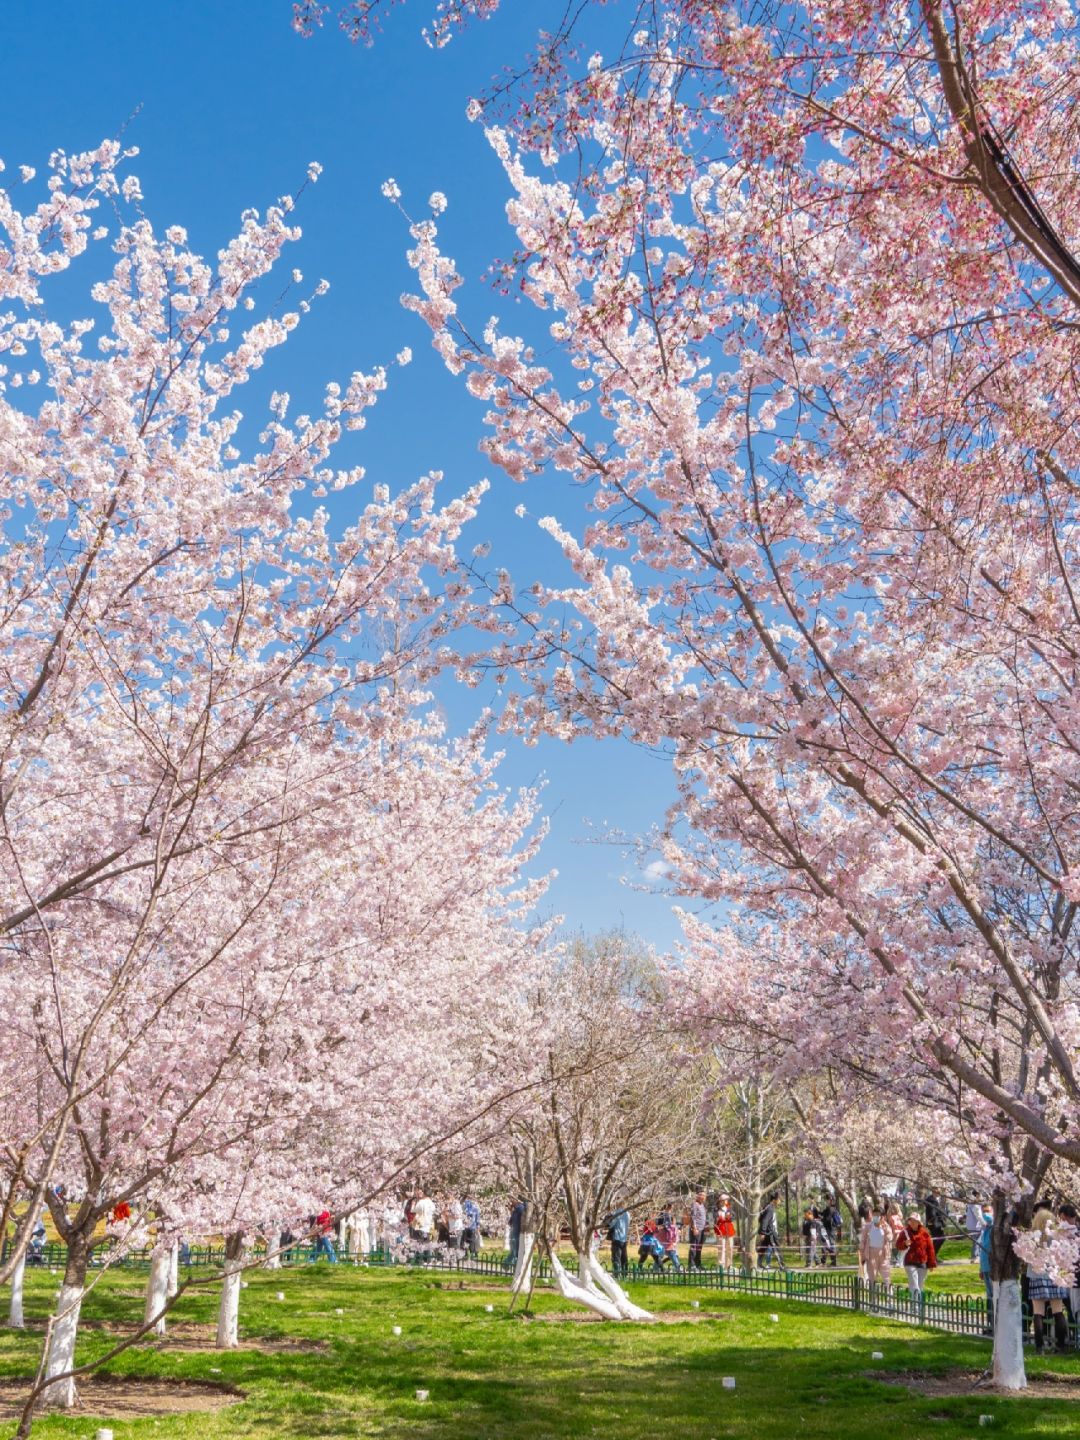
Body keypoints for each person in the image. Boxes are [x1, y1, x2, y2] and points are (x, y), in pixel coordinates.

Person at [1027, 1202, 1070, 1351]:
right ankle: (1061, 1344)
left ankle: (1039, 1346)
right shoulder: (1056, 1235)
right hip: (1054, 1275)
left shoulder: (1033, 1236)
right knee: (1058, 1310)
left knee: (1038, 1311)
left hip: (1036, 1275)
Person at [897, 1212, 936, 1295]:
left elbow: (930, 1249)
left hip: (922, 1263)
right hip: (909, 1262)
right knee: (914, 1284)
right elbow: (898, 1245)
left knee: (920, 1286)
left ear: (919, 1222)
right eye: (911, 1220)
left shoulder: (925, 1234)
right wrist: (904, 1244)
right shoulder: (904, 1233)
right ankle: (916, 1306)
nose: (912, 1223)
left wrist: (931, 1264)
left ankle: (917, 1304)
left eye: (914, 1221)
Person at [1058, 1202, 1080, 1344]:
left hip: (1075, 1278)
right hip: (1073, 1277)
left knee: (1076, 1309)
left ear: (1064, 1216)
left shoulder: (1069, 1234)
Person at [860, 1203, 891, 1287]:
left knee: (886, 1276)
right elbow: (862, 1242)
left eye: (878, 1215)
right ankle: (872, 1298)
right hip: (871, 1254)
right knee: (872, 1277)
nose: (875, 1217)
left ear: (882, 1217)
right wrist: (862, 1256)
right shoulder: (867, 1227)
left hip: (883, 1254)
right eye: (874, 1215)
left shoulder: (886, 1227)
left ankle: (889, 1297)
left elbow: (890, 1238)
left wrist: (884, 1229)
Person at [978, 1202, 994, 1334]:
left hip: (993, 1267)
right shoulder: (984, 1231)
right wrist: (980, 1269)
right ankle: (990, 1324)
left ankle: (995, 1324)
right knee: (989, 1296)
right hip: (985, 1267)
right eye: (983, 1211)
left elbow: (989, 1219)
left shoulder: (993, 1226)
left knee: (994, 1296)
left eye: (988, 1211)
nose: (985, 1214)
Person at [757, 1193, 784, 1269]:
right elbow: (764, 1220)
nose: (780, 1201)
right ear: (774, 1200)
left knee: (763, 1248)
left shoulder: (769, 1207)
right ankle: (782, 1265)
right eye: (779, 1200)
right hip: (770, 1232)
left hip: (768, 1232)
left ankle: (758, 1263)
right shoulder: (770, 1208)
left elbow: (761, 1219)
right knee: (776, 1248)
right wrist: (762, 1232)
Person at [714, 1193, 736, 1270]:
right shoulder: (716, 1210)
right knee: (721, 1249)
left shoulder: (729, 1209)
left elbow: (733, 1217)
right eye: (725, 1200)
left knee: (730, 1248)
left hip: (729, 1232)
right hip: (720, 1232)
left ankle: (729, 1265)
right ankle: (721, 1265)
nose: (726, 1201)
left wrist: (730, 1216)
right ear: (721, 1201)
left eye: (727, 1200)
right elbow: (715, 1222)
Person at [924, 1190, 947, 1257]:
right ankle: (932, 1256)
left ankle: (933, 1255)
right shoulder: (932, 1201)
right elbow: (933, 1213)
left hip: (935, 1223)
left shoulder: (934, 1200)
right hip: (935, 1224)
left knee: (938, 1239)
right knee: (940, 1239)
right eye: (938, 1192)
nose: (939, 1194)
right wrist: (941, 1221)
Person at [607, 1205, 630, 1277]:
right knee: (624, 1256)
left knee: (616, 1256)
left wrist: (608, 1221)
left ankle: (616, 1273)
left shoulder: (617, 1213)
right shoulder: (627, 1213)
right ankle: (625, 1273)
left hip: (617, 1237)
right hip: (624, 1238)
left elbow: (611, 1224)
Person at [688, 1191, 707, 1270]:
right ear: (698, 1196)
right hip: (696, 1229)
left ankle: (698, 1264)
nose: (703, 1197)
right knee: (694, 1247)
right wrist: (694, 1228)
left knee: (699, 1248)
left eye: (704, 1195)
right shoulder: (695, 1204)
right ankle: (691, 1265)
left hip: (702, 1230)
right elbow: (693, 1217)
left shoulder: (702, 1205)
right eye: (702, 1195)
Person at [819, 1196, 840, 1267]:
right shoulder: (827, 1209)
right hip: (827, 1229)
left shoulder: (831, 1209)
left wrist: (822, 1219)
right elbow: (821, 1214)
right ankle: (824, 1261)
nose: (826, 1201)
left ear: (831, 1201)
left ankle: (833, 1262)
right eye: (826, 1200)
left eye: (827, 1200)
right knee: (825, 1245)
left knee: (830, 1245)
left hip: (831, 1230)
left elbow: (827, 1219)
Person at [965, 1194, 984, 1262]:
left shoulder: (970, 1205)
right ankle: (975, 1256)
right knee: (977, 1242)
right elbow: (978, 1216)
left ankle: (976, 1256)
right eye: (980, 1196)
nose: (981, 1198)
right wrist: (984, 1223)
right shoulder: (975, 1206)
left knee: (976, 1242)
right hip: (975, 1226)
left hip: (971, 1226)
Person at [508, 1199, 525, 1270]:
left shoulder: (520, 1208)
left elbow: (510, 1222)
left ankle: (512, 1264)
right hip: (515, 1232)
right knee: (515, 1250)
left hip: (516, 1232)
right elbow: (510, 1222)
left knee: (515, 1250)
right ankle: (512, 1264)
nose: (511, 1203)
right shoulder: (516, 1209)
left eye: (512, 1201)